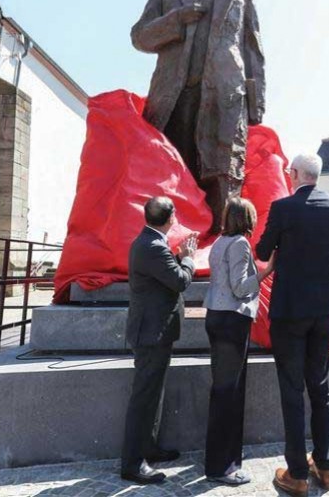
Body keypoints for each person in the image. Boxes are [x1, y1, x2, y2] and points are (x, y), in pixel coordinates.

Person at [131, 0, 266, 233]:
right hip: (174, 97)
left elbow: (253, 52)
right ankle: (168, 245)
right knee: (169, 169)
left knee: (224, 172)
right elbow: (139, 37)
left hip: (226, 97)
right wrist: (174, 20)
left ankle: (224, 248)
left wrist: (255, 106)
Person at [255, 153, 329, 497]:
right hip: (324, 308)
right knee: (320, 387)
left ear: (294, 174)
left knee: (292, 390)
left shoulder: (282, 208)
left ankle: (296, 474)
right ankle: (323, 468)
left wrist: (282, 247)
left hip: (291, 308)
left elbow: (263, 252)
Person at [121, 197, 198, 485]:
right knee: (144, 398)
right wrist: (188, 257)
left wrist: (178, 259)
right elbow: (179, 281)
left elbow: (164, 277)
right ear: (170, 218)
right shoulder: (153, 246)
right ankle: (132, 463)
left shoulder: (148, 242)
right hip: (152, 334)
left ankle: (147, 448)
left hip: (154, 332)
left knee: (153, 394)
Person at [203, 198, 275, 486]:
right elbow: (240, 287)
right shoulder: (240, 244)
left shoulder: (220, 242)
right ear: (248, 218)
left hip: (215, 316)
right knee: (229, 394)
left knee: (222, 390)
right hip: (233, 320)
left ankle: (219, 460)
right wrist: (267, 271)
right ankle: (222, 467)